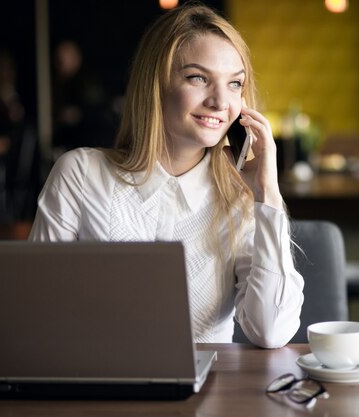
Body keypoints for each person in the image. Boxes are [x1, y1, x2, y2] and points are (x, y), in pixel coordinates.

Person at [29, 3, 304, 348]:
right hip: (100, 388)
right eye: (198, 78)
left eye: (235, 84)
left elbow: (271, 331)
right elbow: (37, 312)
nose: (221, 101)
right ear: (156, 84)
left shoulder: (240, 197)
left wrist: (268, 193)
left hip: (207, 395)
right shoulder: (81, 175)